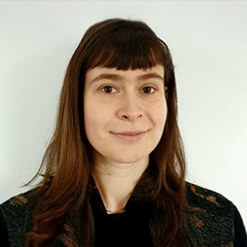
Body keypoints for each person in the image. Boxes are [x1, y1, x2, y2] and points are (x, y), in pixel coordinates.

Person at [0, 18, 246, 247]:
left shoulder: (220, 222)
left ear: (167, 99)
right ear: (77, 101)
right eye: (108, 88)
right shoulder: (13, 226)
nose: (131, 111)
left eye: (148, 88)